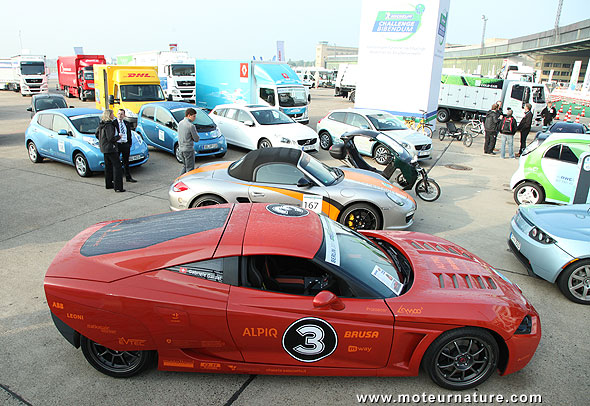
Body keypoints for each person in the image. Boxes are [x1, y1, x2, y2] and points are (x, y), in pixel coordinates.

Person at [95, 109, 124, 192]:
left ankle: (109, 184)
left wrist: (102, 141)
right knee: (117, 167)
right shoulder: (109, 125)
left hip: (104, 148)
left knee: (108, 167)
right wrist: (119, 137)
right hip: (111, 148)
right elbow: (110, 138)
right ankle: (118, 187)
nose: (113, 115)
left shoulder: (102, 124)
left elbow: (97, 134)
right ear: (109, 115)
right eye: (112, 114)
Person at [114, 109, 137, 183]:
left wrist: (129, 143)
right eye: (118, 114)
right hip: (117, 144)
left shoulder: (126, 123)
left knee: (126, 161)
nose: (120, 116)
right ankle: (116, 179)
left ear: (124, 115)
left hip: (125, 144)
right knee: (116, 162)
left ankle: (128, 177)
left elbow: (129, 133)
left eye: (121, 114)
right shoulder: (114, 123)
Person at [178, 108, 200, 175]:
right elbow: (196, 139)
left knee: (185, 166)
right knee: (190, 169)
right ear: (189, 115)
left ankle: (178, 180)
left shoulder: (180, 123)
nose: (195, 118)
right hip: (188, 150)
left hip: (181, 149)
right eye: (194, 116)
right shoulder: (191, 126)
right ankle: (188, 183)